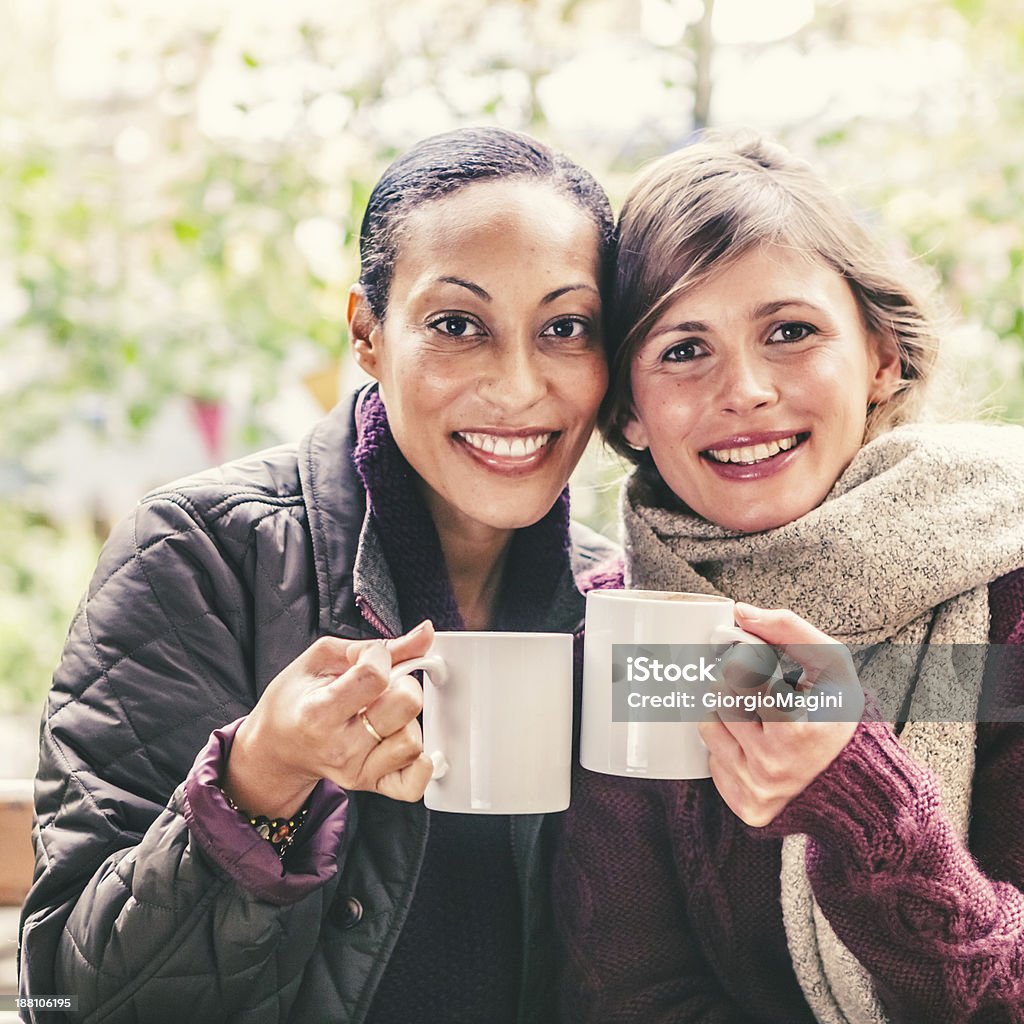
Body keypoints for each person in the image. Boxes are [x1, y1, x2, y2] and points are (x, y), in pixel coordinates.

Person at [19, 125, 618, 1024]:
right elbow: (74, 994)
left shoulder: (621, 605)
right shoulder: (197, 556)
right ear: (368, 334)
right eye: (457, 325)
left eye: (566, 328)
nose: (518, 385)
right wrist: (258, 782)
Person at [555, 133, 1024, 1023]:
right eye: (684, 351)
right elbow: (634, 992)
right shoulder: (633, 638)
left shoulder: (1009, 590)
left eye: (791, 332)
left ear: (882, 357)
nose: (747, 390)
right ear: (628, 412)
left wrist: (862, 797)